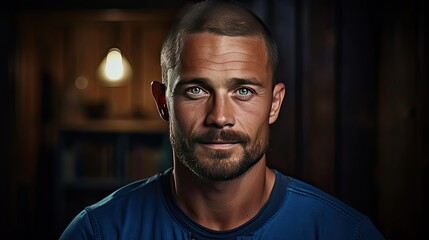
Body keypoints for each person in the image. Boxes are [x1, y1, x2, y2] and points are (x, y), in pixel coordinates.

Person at [59, 0, 385, 239]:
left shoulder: (345, 234)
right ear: (163, 102)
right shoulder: (98, 233)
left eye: (243, 91)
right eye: (196, 90)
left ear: (274, 103)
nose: (220, 117)